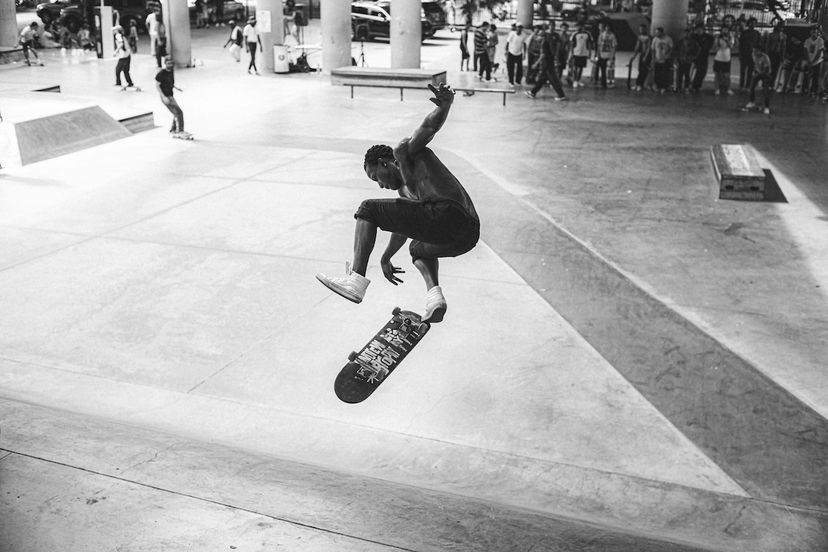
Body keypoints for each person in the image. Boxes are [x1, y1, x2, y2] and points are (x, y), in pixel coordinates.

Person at [315, 83, 479, 324]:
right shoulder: (406, 195)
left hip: (450, 214)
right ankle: (435, 299)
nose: (380, 185)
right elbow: (404, 227)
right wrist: (385, 257)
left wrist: (445, 106)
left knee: (368, 209)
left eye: (376, 178)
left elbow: (429, 126)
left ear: (384, 163)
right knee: (417, 248)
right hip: (465, 237)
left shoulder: (406, 152)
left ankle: (356, 281)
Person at [525, 21, 568, 101]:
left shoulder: (545, 42)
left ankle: (561, 95)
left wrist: (536, 63)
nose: (538, 37)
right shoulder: (548, 39)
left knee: (552, 79)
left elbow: (543, 54)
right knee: (543, 78)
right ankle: (533, 92)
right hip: (548, 61)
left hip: (547, 62)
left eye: (539, 35)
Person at [155, 56, 188, 138]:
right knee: (179, 112)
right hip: (165, 97)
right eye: (168, 63)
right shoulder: (161, 73)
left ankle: (173, 129)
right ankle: (180, 131)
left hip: (171, 95)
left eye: (171, 63)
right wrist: (163, 97)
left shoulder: (171, 71)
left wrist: (176, 88)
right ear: (165, 64)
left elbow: (170, 82)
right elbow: (157, 86)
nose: (170, 65)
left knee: (176, 112)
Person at [743, 43, 773, 115]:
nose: (754, 52)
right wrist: (755, 71)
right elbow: (755, 64)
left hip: (766, 74)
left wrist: (758, 74)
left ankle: (766, 107)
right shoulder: (753, 55)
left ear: (760, 51)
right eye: (753, 51)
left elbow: (766, 69)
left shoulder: (765, 57)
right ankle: (751, 102)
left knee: (766, 91)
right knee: (751, 87)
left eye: (755, 51)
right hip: (758, 73)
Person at [738, 17, 761, 90]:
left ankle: (747, 85)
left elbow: (758, 45)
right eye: (752, 23)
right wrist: (740, 54)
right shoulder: (744, 32)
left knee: (750, 72)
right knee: (742, 71)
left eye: (754, 23)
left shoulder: (757, 33)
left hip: (752, 55)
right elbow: (740, 44)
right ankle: (742, 85)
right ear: (749, 24)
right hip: (744, 54)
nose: (753, 24)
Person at [674, 27, 699, 93]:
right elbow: (676, 51)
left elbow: (697, 50)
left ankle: (686, 87)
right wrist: (676, 59)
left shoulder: (694, 42)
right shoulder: (680, 42)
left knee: (687, 75)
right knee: (679, 74)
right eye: (685, 33)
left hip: (688, 61)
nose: (687, 34)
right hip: (681, 60)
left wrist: (693, 57)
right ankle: (678, 87)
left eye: (688, 33)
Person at [690, 22, 713, 92]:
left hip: (703, 56)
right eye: (697, 29)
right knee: (690, 71)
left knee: (702, 72)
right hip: (694, 56)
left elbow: (710, 44)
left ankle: (697, 85)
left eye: (700, 29)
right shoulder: (693, 36)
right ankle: (690, 84)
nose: (699, 30)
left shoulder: (707, 37)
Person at [803, 26, 825, 97]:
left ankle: (813, 91)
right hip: (808, 61)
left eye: (815, 32)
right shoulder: (807, 40)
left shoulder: (820, 41)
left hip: (817, 61)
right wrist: (808, 61)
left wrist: (813, 62)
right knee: (806, 75)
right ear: (810, 32)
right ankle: (805, 89)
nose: (814, 33)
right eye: (813, 32)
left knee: (816, 76)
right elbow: (805, 51)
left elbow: (819, 52)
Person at [713, 25, 734, 95]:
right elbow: (715, 47)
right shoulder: (718, 37)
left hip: (727, 58)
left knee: (727, 75)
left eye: (726, 29)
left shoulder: (731, 37)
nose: (725, 31)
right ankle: (717, 89)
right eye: (723, 29)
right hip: (718, 58)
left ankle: (728, 88)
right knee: (717, 74)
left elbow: (731, 46)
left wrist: (727, 40)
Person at [651, 26, 673, 93]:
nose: (657, 34)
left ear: (662, 32)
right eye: (656, 33)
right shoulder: (655, 39)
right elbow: (653, 49)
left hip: (665, 59)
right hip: (657, 59)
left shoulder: (668, 39)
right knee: (657, 73)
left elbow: (671, 48)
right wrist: (653, 58)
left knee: (664, 73)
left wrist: (667, 55)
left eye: (658, 33)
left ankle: (664, 87)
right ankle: (657, 85)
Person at [595, 20, 617, 88]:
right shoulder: (601, 35)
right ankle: (603, 82)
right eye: (606, 27)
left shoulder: (612, 35)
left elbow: (614, 46)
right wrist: (597, 54)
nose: (607, 28)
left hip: (609, 54)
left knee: (610, 68)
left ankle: (610, 81)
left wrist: (612, 55)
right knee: (603, 69)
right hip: (602, 54)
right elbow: (598, 45)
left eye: (608, 27)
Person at [113, 25, 135, 89]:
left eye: (114, 30)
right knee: (126, 70)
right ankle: (130, 82)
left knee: (118, 69)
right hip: (127, 54)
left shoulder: (118, 35)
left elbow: (121, 44)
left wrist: (115, 52)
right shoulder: (122, 35)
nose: (113, 31)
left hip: (123, 55)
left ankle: (118, 82)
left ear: (117, 30)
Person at [570, 22, 592, 87]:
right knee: (575, 67)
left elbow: (590, 44)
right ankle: (574, 80)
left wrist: (589, 52)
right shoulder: (574, 34)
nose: (579, 28)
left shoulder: (588, 34)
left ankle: (578, 80)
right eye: (578, 27)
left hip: (584, 53)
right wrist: (572, 53)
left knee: (581, 68)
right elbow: (571, 44)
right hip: (576, 53)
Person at [765, 22, 787, 88]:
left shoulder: (783, 36)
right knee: (769, 69)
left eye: (782, 27)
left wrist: (782, 56)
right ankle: (766, 83)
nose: (781, 29)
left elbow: (783, 47)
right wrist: (766, 54)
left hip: (778, 54)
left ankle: (772, 83)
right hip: (771, 53)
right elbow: (768, 45)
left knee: (775, 70)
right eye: (780, 27)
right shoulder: (771, 35)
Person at [631, 23, 651, 91]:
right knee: (640, 70)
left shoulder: (648, 37)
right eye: (640, 29)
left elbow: (649, 48)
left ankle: (640, 84)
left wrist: (645, 56)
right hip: (642, 54)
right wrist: (634, 56)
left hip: (647, 55)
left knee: (644, 70)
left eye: (642, 29)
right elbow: (637, 47)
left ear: (645, 29)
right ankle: (638, 84)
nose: (641, 30)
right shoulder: (639, 37)